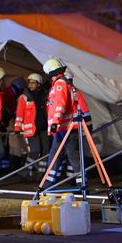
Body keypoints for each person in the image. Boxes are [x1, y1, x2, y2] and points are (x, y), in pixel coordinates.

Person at [43, 58, 88, 188]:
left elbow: (59, 105)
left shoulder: (59, 85)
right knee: (55, 154)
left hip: (65, 127)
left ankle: (82, 185)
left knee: (72, 156)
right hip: (63, 127)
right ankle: (49, 182)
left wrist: (55, 122)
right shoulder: (65, 83)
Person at [14, 73, 50, 180]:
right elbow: (19, 113)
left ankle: (41, 174)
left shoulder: (45, 95)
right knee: (35, 151)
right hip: (32, 129)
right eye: (29, 82)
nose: (31, 84)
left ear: (39, 84)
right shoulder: (24, 97)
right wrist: (17, 127)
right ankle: (24, 173)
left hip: (44, 128)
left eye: (33, 83)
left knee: (45, 151)